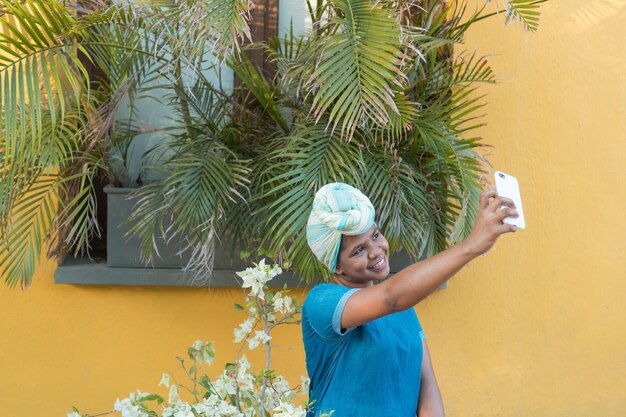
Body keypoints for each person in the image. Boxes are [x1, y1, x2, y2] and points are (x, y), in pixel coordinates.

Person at [302, 182, 519, 417]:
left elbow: (426, 386)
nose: (376, 251)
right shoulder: (322, 302)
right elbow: (390, 297)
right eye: (358, 250)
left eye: (375, 236)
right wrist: (470, 246)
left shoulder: (404, 311)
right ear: (337, 266)